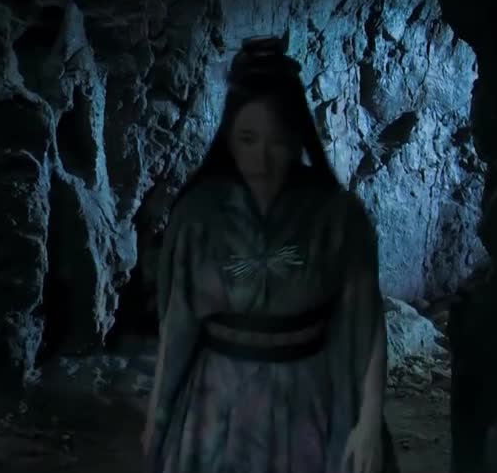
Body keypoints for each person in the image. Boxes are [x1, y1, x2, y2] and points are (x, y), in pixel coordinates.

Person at [140, 36, 398, 473]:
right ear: (229, 138)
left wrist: (368, 422)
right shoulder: (199, 214)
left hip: (309, 400)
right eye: (248, 139)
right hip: (215, 405)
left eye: (277, 141)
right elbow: (177, 326)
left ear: (297, 138)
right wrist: (158, 416)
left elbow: (366, 324)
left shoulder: (338, 216)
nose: (261, 159)